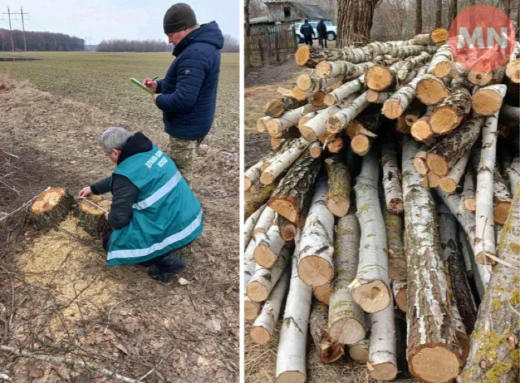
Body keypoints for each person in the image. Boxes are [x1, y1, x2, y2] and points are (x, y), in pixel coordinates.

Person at [79, 127, 204, 283]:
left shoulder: (126, 176)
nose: (108, 158)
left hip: (178, 227)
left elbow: (119, 220)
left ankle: (167, 262)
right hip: (191, 217)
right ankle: (166, 247)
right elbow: (122, 179)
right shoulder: (149, 151)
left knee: (110, 242)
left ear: (116, 153)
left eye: (107, 155)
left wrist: (110, 216)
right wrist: (94, 189)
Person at [142, 3, 223, 186]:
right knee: (174, 172)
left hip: (186, 128)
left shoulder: (194, 53)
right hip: (198, 123)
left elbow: (184, 99)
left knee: (177, 180)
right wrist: (159, 85)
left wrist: (159, 100)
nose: (169, 41)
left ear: (184, 29)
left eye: (170, 35)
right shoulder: (206, 47)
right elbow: (188, 83)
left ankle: (182, 212)